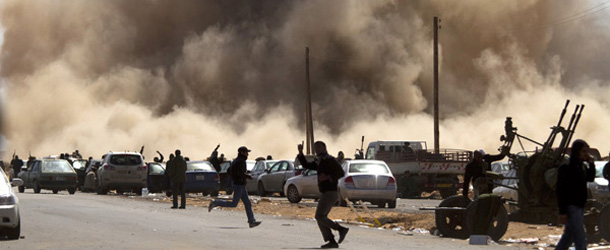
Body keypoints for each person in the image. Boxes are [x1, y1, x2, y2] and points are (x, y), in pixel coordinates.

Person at [297, 141, 348, 249]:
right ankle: (331, 241)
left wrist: (328, 177)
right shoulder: (319, 161)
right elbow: (307, 165)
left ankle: (340, 229)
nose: (317, 150)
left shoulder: (329, 160)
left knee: (319, 216)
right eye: (315, 148)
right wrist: (301, 153)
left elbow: (341, 173)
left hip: (331, 192)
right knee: (321, 218)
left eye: (319, 147)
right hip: (325, 192)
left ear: (324, 148)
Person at [555, 139, 596, 250]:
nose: (585, 154)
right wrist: (562, 212)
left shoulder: (581, 166)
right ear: (577, 151)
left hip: (579, 206)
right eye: (583, 151)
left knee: (568, 236)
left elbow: (590, 178)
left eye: (587, 151)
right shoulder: (566, 167)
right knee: (580, 237)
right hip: (571, 207)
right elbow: (561, 191)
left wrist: (591, 164)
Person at [208, 146, 261, 228]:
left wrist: (235, 178)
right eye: (246, 152)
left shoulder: (236, 161)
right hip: (239, 185)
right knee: (234, 203)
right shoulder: (241, 161)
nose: (247, 154)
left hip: (240, 184)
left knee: (247, 203)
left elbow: (229, 171)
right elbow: (240, 173)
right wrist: (247, 176)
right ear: (242, 153)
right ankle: (215, 202)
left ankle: (251, 221)